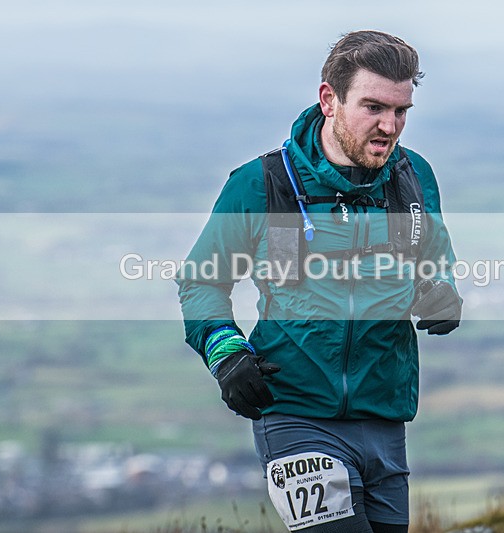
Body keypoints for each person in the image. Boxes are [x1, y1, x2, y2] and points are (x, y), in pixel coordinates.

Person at [177, 30, 462, 532]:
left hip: (385, 412)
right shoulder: (262, 184)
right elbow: (202, 281)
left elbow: (432, 262)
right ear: (329, 100)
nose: (390, 126)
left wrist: (439, 293)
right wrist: (226, 353)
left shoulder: (413, 178)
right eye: (374, 107)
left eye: (401, 111)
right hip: (294, 410)